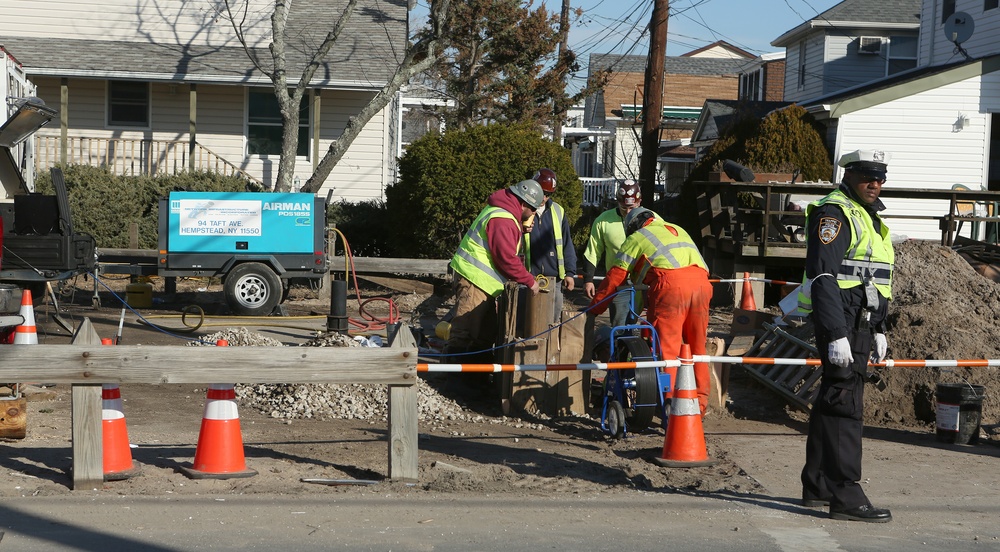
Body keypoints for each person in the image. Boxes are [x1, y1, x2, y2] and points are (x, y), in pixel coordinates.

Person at [798, 149, 894, 523]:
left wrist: (880, 326)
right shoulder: (834, 213)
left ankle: (818, 486)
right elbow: (824, 276)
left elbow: (871, 279)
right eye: (868, 176)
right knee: (844, 408)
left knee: (832, 402)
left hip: (861, 323)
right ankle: (846, 496)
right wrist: (836, 333)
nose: (876, 184)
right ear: (849, 175)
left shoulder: (866, 216)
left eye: (881, 177)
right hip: (844, 324)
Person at [587, 207, 713, 414]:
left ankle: (673, 407)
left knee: (669, 350)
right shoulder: (676, 228)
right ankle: (699, 404)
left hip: (671, 287)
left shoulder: (637, 237)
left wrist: (595, 308)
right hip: (701, 285)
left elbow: (615, 277)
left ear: (633, 226)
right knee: (697, 347)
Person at [446, 179, 543, 363]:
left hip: (481, 282)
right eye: (533, 209)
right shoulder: (503, 219)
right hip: (474, 279)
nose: (534, 213)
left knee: (484, 331)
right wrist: (529, 281)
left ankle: (476, 378)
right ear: (523, 204)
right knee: (466, 330)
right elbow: (506, 258)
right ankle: (456, 381)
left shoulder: (503, 213)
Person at [583, 180, 642, 328]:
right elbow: (593, 251)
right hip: (619, 283)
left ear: (639, 202)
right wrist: (588, 279)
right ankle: (618, 349)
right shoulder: (603, 221)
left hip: (644, 283)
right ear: (617, 202)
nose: (628, 212)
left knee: (647, 326)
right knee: (619, 326)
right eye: (623, 207)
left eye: (631, 207)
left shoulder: (652, 220)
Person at [524, 168, 577, 325]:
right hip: (528, 277)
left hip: (555, 279)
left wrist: (570, 272)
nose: (544, 198)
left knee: (552, 323)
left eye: (548, 194)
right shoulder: (523, 210)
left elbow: (567, 243)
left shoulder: (558, 211)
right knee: (527, 322)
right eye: (542, 193)